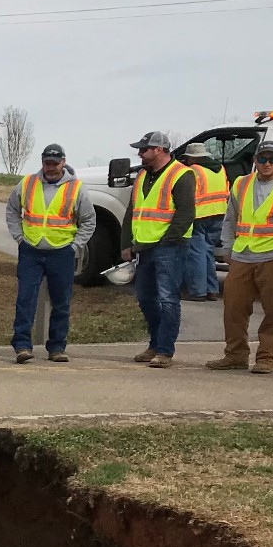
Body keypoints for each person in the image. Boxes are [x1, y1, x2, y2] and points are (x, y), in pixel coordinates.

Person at [208, 141, 273, 374]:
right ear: (255, 160)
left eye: (272, 159)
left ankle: (266, 357)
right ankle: (235, 355)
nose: (267, 163)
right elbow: (230, 219)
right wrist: (228, 249)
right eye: (262, 159)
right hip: (243, 254)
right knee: (233, 308)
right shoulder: (241, 184)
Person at [6, 143, 96, 363]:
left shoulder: (76, 188)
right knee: (25, 299)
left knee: (61, 302)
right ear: (42, 163)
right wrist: (20, 238)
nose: (51, 168)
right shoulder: (27, 183)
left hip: (62, 253)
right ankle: (22, 346)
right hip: (31, 251)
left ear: (63, 163)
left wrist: (75, 246)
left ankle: (57, 347)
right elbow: (12, 210)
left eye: (55, 164)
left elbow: (88, 220)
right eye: (48, 163)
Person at [121, 130, 196, 368]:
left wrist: (167, 240)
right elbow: (132, 211)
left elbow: (185, 214)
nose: (140, 154)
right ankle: (155, 343)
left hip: (170, 248)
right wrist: (126, 243)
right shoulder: (142, 176)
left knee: (167, 300)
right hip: (145, 247)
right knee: (145, 298)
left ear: (159, 150)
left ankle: (164, 350)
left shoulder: (181, 175)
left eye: (144, 150)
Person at [181, 140, 227, 301]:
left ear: (192, 158)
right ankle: (212, 290)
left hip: (199, 215)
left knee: (196, 254)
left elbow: (188, 195)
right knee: (207, 253)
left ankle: (197, 291)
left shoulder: (193, 170)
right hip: (219, 214)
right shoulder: (220, 168)